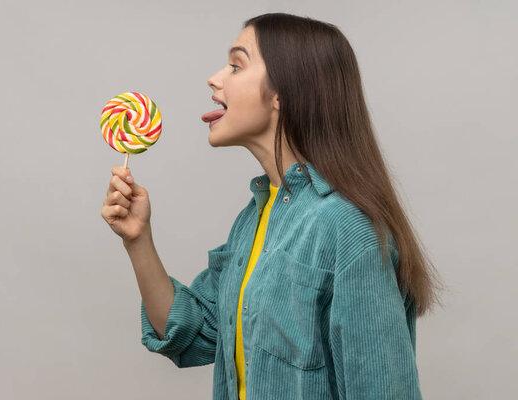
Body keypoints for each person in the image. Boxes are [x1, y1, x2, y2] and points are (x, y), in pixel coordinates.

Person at [101, 12, 444, 400]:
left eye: (235, 65)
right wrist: (138, 239)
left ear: (282, 92)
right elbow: (192, 334)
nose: (214, 78)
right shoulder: (255, 217)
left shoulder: (349, 232)